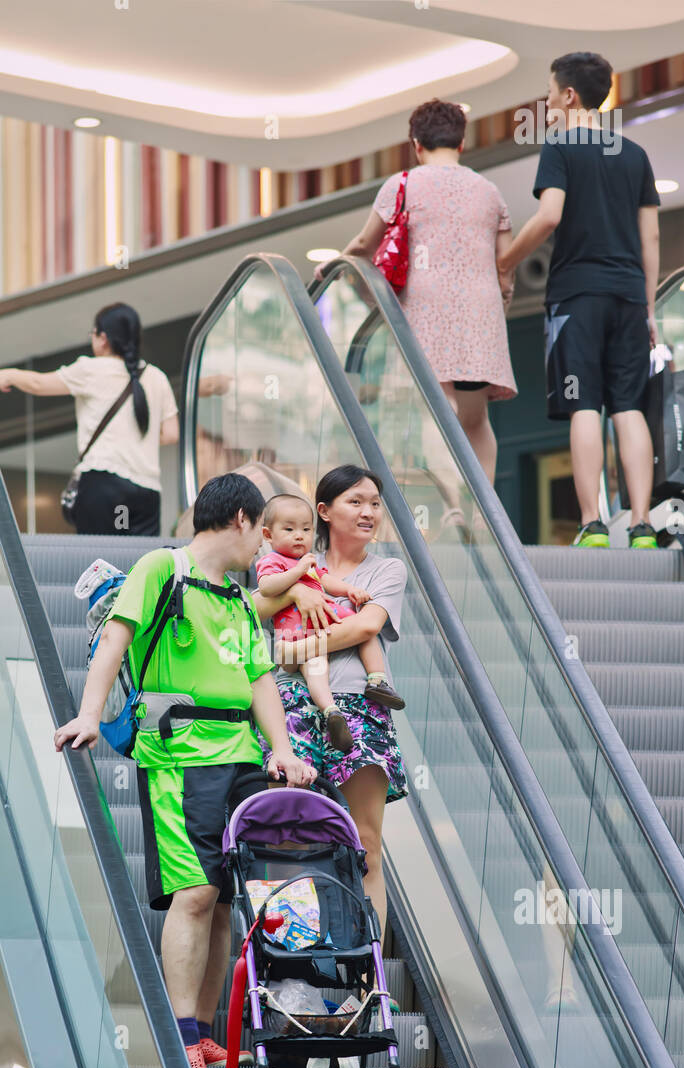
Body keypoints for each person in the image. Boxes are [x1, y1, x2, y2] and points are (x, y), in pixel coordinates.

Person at [54, 473, 316, 1068]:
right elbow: (115, 640)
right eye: (261, 532)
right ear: (241, 522)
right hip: (177, 755)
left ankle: (203, 1034)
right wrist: (89, 715)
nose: (264, 548)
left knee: (225, 899)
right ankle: (181, 1038)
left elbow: (259, 679)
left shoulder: (237, 595)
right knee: (195, 893)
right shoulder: (158, 568)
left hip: (241, 756)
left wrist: (281, 748)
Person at [498, 52, 661, 550]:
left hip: (577, 297)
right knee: (629, 408)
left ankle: (591, 523)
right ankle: (640, 525)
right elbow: (650, 236)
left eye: (549, 93)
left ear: (569, 96)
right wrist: (649, 308)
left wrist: (504, 261)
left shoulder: (562, 145)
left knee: (583, 404)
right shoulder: (634, 153)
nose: (546, 104)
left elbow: (549, 216)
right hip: (630, 297)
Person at [324, 98, 516, 498]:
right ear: (461, 143)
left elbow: (364, 242)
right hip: (481, 307)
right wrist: (504, 301)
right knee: (476, 417)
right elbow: (506, 262)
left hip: (428, 303)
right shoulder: (489, 191)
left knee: (438, 408)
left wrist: (335, 264)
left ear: (416, 143)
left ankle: (457, 505)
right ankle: (487, 509)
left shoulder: (403, 183)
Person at [253, 466, 408, 939]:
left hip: (359, 707)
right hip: (293, 702)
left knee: (367, 843)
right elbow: (253, 606)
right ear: (324, 510)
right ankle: (295, 960)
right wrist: (297, 587)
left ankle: (372, 973)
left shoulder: (386, 569)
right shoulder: (292, 556)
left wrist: (292, 650)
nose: (369, 512)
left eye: (375, 503)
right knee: (290, 835)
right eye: (355, 502)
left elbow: (365, 627)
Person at [0, 302, 178, 535]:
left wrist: (10, 375)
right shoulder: (157, 377)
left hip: (103, 485)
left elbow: (39, 384)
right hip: (147, 492)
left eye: (94, 334)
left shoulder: (91, 369)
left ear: (103, 338)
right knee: (140, 565)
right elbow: (171, 434)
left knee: (98, 564)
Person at [255, 492, 405, 755]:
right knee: (316, 664)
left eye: (305, 529)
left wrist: (349, 591)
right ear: (268, 535)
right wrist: (297, 583)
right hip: (298, 628)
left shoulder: (314, 561)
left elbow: (327, 582)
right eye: (289, 529)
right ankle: (330, 710)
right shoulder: (274, 561)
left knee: (363, 633)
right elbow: (262, 592)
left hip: (326, 619)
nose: (299, 535)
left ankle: (377, 680)